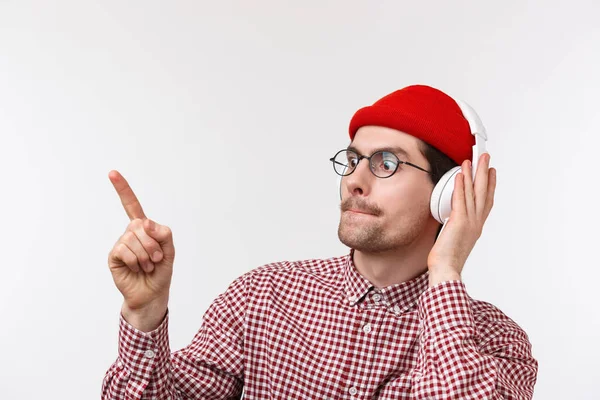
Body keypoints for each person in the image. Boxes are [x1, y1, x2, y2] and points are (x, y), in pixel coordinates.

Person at [102, 85, 538, 399]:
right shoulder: (261, 297)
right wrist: (144, 315)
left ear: (450, 194)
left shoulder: (495, 341)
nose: (355, 181)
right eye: (353, 160)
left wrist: (446, 270)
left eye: (387, 162)